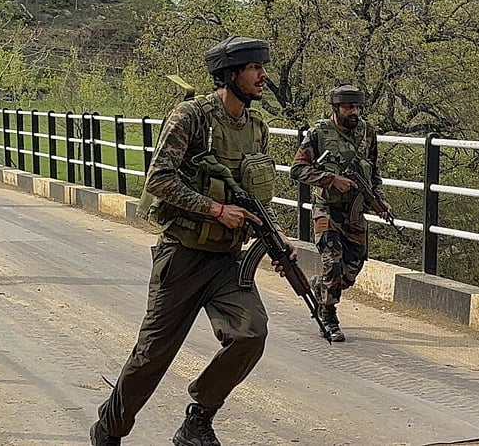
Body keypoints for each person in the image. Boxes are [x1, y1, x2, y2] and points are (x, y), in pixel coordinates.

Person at [90, 36, 295, 446]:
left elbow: (251, 196)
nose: (263, 75)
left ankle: (197, 420)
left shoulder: (257, 128)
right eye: (255, 68)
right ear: (231, 74)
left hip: (227, 261)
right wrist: (215, 210)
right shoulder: (191, 117)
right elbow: (159, 179)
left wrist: (275, 234)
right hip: (182, 257)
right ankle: (109, 429)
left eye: (262, 67)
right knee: (152, 357)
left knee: (251, 334)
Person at [289, 84, 390, 342]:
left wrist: (379, 200)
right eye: (348, 107)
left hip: (354, 213)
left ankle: (320, 286)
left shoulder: (367, 133)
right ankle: (328, 315)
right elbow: (297, 170)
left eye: (357, 107)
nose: (354, 112)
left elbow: (374, 171)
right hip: (327, 210)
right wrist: (331, 180)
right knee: (333, 265)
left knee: (351, 270)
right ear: (336, 108)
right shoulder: (318, 133)